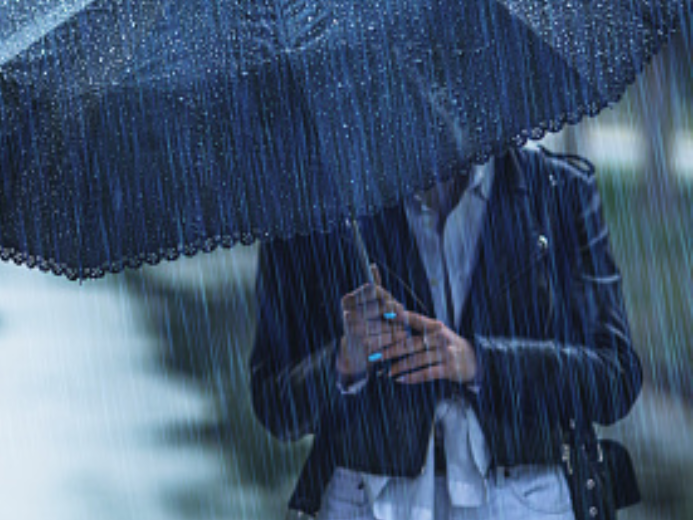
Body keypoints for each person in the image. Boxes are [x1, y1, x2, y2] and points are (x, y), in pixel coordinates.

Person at [248, 145, 643, 520]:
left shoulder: (557, 190)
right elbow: (275, 406)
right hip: (368, 497)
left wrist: (482, 363)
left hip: (523, 498)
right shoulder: (311, 207)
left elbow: (615, 379)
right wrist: (345, 360)